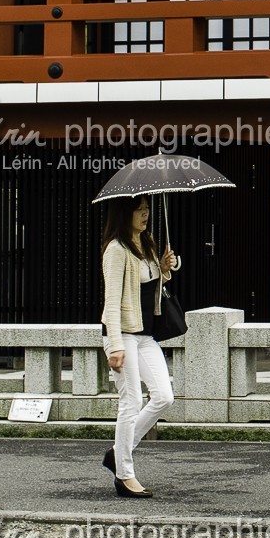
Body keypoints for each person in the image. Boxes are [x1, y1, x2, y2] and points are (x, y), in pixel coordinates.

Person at [98, 196, 180, 498]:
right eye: (139, 210)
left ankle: (119, 453)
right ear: (124, 213)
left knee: (163, 396)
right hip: (123, 336)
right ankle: (125, 475)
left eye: (147, 209)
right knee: (130, 402)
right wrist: (115, 346)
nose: (145, 214)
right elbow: (112, 300)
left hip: (145, 335)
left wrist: (164, 267)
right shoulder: (116, 249)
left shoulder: (146, 244)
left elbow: (150, 286)